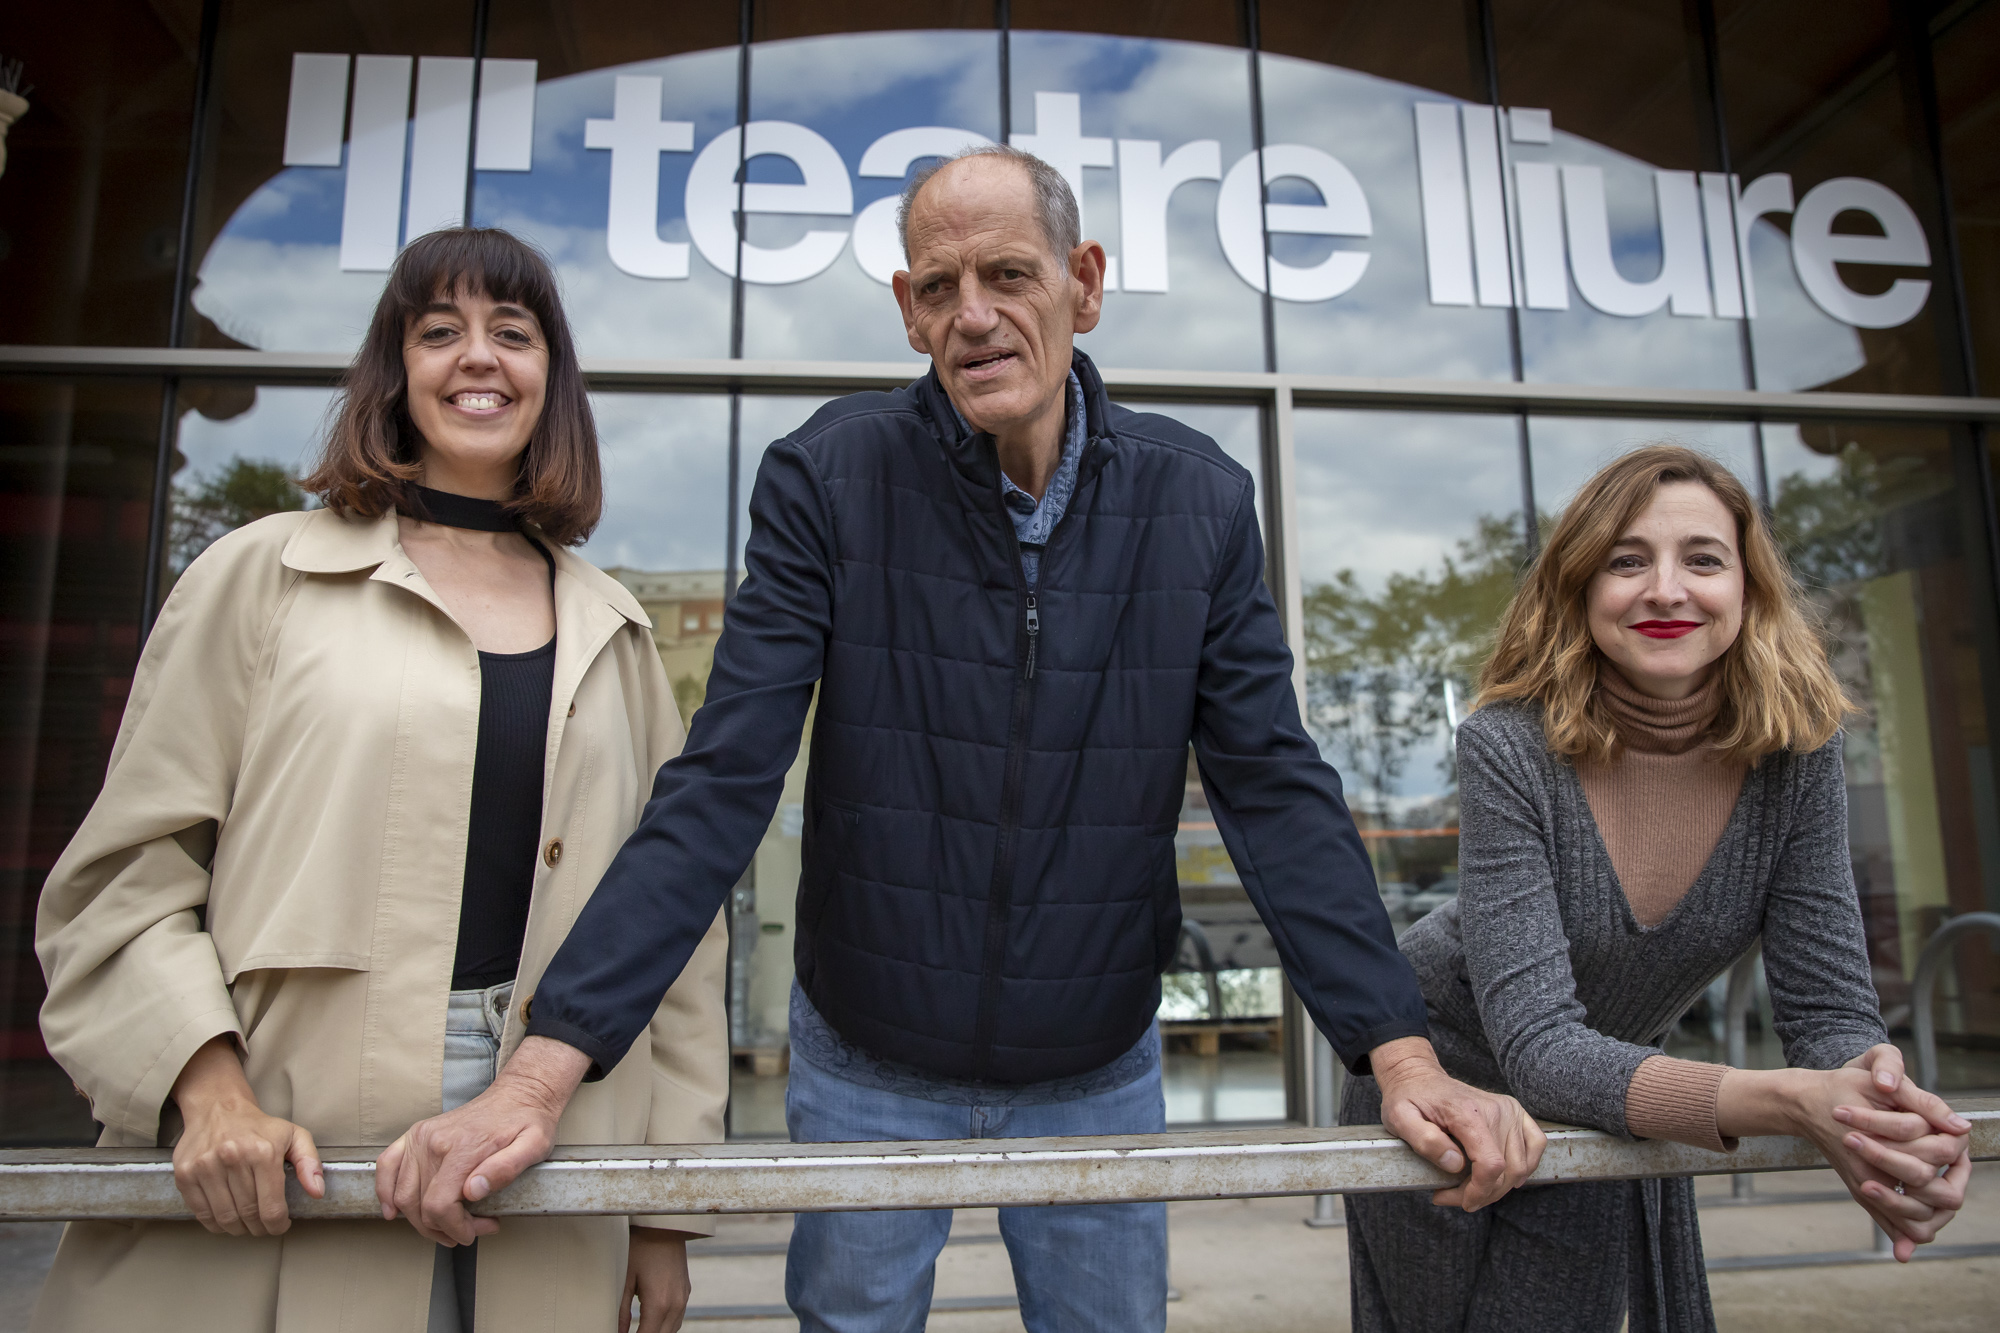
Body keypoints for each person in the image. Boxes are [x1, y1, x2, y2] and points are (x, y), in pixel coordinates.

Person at [375, 146, 1545, 1333]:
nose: (971, 315)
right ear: (905, 310)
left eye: (1007, 275)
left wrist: (1398, 1053)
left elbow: (1273, 788)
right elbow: (724, 779)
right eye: (937, 287)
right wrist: (539, 1070)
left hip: (1095, 1062)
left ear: (1083, 283)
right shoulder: (826, 479)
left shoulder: (1195, 501)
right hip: (866, 1056)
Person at [32, 227, 727, 1333]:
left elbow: (674, 934)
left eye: (513, 333)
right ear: (394, 372)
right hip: (283, 1119)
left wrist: (661, 1211)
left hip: (562, 1134)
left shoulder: (618, 628)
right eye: (437, 332)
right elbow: (125, 877)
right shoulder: (260, 577)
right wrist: (205, 1093)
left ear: (553, 378)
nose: (478, 359)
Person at [1342, 444, 1974, 1332]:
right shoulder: (1508, 745)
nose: (1666, 590)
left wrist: (1878, 1107)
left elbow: (1829, 1007)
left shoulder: (1798, 750)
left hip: (1623, 1081)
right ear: (1579, 588)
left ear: (1748, 587)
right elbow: (1542, 1049)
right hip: (1449, 1079)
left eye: (1703, 560)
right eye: (1626, 560)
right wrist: (1789, 1100)